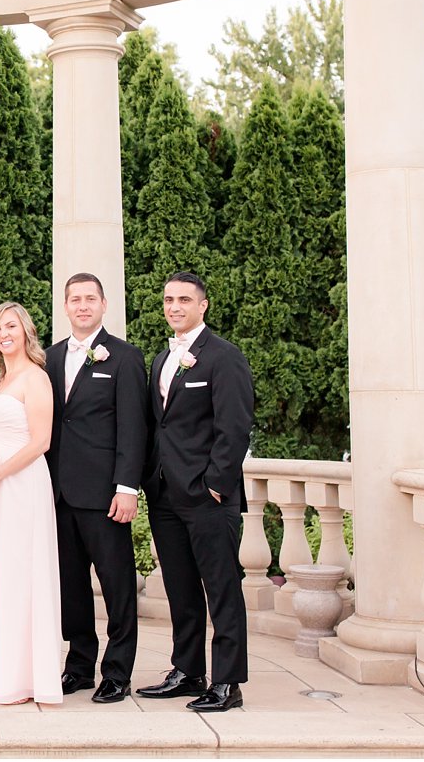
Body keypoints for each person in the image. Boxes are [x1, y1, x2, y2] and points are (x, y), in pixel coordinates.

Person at [137, 271, 254, 713]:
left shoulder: (223, 357)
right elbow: (159, 424)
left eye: (184, 300)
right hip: (165, 493)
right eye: (169, 300)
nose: (174, 307)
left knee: (221, 588)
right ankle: (187, 671)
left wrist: (217, 485)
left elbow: (235, 426)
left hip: (208, 497)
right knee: (180, 589)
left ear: (202, 305)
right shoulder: (161, 358)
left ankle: (227, 681)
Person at [44, 273, 149, 704]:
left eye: (90, 299)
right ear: (65, 307)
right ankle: (80, 666)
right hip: (58, 494)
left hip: (105, 494)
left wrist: (127, 488)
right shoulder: (47, 359)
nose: (82, 306)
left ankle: (118, 672)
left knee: (117, 586)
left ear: (104, 305)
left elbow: (133, 429)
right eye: (75, 299)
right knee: (71, 587)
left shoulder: (125, 357)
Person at [0, 301, 62, 705]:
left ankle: (25, 678)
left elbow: (41, 442)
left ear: (25, 332)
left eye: (11, 326)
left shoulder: (35, 378)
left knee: (22, 574)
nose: (3, 334)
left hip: (21, 486)